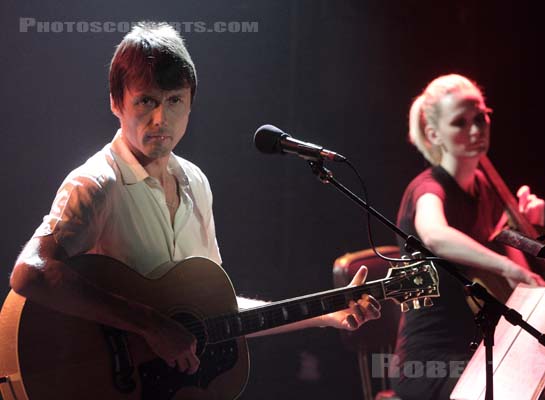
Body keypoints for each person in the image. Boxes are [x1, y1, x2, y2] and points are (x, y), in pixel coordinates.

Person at [8, 21, 380, 380]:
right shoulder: (96, 183)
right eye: (146, 101)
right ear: (115, 103)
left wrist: (327, 314)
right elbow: (31, 272)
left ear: (190, 105)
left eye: (173, 101)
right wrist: (151, 325)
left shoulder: (195, 182)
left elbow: (216, 312)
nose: (160, 118)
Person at [391, 74, 545, 399]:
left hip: (481, 351)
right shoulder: (428, 188)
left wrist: (532, 231)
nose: (476, 130)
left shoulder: (485, 188)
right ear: (435, 134)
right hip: (430, 362)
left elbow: (509, 260)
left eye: (481, 118)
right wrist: (509, 268)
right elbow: (435, 234)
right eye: (460, 123)